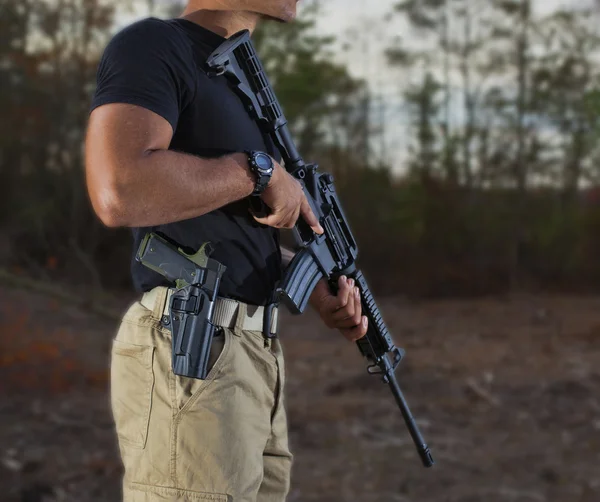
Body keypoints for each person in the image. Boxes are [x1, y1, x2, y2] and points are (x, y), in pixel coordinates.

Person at [85, 1, 368, 500]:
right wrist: (257, 171)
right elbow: (119, 189)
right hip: (194, 348)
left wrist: (303, 280)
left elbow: (220, 236)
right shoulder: (153, 45)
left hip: (252, 358)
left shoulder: (244, 80)